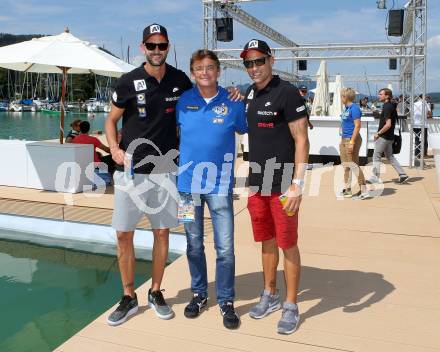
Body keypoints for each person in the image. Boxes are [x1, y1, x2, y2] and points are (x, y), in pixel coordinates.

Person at [104, 23, 193, 326]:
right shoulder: (128, 82)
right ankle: (129, 296)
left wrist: (232, 94)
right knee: (123, 234)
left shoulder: (181, 80)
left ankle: (155, 291)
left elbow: (201, 107)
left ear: (169, 47)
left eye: (162, 45)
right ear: (143, 47)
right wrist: (114, 148)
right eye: (152, 45)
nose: (157, 50)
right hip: (130, 171)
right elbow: (110, 122)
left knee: (162, 233)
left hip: (166, 170)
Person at [241, 39, 309, 335]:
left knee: (287, 243)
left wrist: (297, 184)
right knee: (266, 241)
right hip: (257, 183)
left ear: (271, 60)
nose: (254, 68)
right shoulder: (249, 93)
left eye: (259, 61)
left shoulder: (288, 92)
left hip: (283, 185)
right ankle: (269, 294)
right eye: (248, 63)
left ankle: (291, 304)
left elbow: (302, 140)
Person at [176, 49, 247, 329]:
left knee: (225, 248)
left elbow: (245, 129)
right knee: (193, 245)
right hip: (185, 187)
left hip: (220, 186)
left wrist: (241, 95)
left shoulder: (233, 102)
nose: (204, 72)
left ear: (218, 71)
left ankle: (227, 300)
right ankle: (199, 295)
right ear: (193, 73)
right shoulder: (183, 102)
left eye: (209, 67)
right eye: (198, 68)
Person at [371, 88, 408, 184]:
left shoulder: (387, 107)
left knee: (376, 156)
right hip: (390, 137)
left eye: (381, 94)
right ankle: (402, 174)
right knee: (390, 157)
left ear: (387, 96)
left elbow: (388, 124)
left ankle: (375, 177)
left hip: (383, 136)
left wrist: (378, 133)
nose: (379, 95)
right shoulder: (391, 106)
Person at [339, 88, 369, 200]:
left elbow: (357, 126)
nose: (341, 98)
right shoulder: (346, 108)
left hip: (352, 139)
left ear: (345, 97)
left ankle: (364, 190)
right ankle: (347, 190)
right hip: (344, 139)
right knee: (346, 165)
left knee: (353, 165)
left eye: (342, 96)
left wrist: (351, 142)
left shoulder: (354, 108)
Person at [413, 94, 432, 159]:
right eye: (426, 97)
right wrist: (425, 116)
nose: (427, 98)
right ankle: (424, 154)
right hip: (424, 125)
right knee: (424, 140)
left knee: (416, 139)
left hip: (415, 124)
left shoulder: (414, 104)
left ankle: (416, 153)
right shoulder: (426, 104)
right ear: (423, 97)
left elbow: (411, 113)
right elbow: (430, 114)